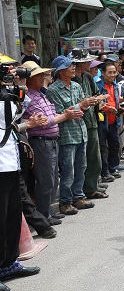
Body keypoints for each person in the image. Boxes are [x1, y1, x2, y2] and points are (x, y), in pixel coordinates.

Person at [0, 75, 41, 290]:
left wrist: (20, 89)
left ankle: (8, 263)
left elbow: (17, 114)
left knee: (12, 217)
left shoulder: (7, 96)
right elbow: (6, 117)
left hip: (10, 163)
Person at [47, 56, 96, 215]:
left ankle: (78, 196)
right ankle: (65, 201)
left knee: (81, 167)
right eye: (70, 66)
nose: (73, 67)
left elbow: (82, 109)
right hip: (67, 135)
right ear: (61, 71)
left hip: (81, 132)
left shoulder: (76, 85)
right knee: (68, 170)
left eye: (73, 65)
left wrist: (87, 104)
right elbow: (61, 113)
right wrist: (81, 105)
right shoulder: (53, 90)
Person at [70, 49, 109, 200]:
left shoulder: (87, 76)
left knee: (94, 157)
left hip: (91, 120)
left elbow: (94, 94)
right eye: (87, 61)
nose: (90, 63)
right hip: (77, 122)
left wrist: (98, 101)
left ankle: (91, 186)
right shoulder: (72, 80)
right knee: (80, 160)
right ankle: (84, 189)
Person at [96, 62, 124, 182]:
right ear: (103, 73)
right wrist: (109, 109)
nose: (113, 75)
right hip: (103, 121)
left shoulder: (115, 85)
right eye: (110, 72)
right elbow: (97, 103)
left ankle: (113, 167)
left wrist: (120, 109)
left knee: (115, 145)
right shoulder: (98, 86)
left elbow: (115, 100)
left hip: (114, 120)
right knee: (102, 147)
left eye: (114, 72)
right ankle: (105, 172)